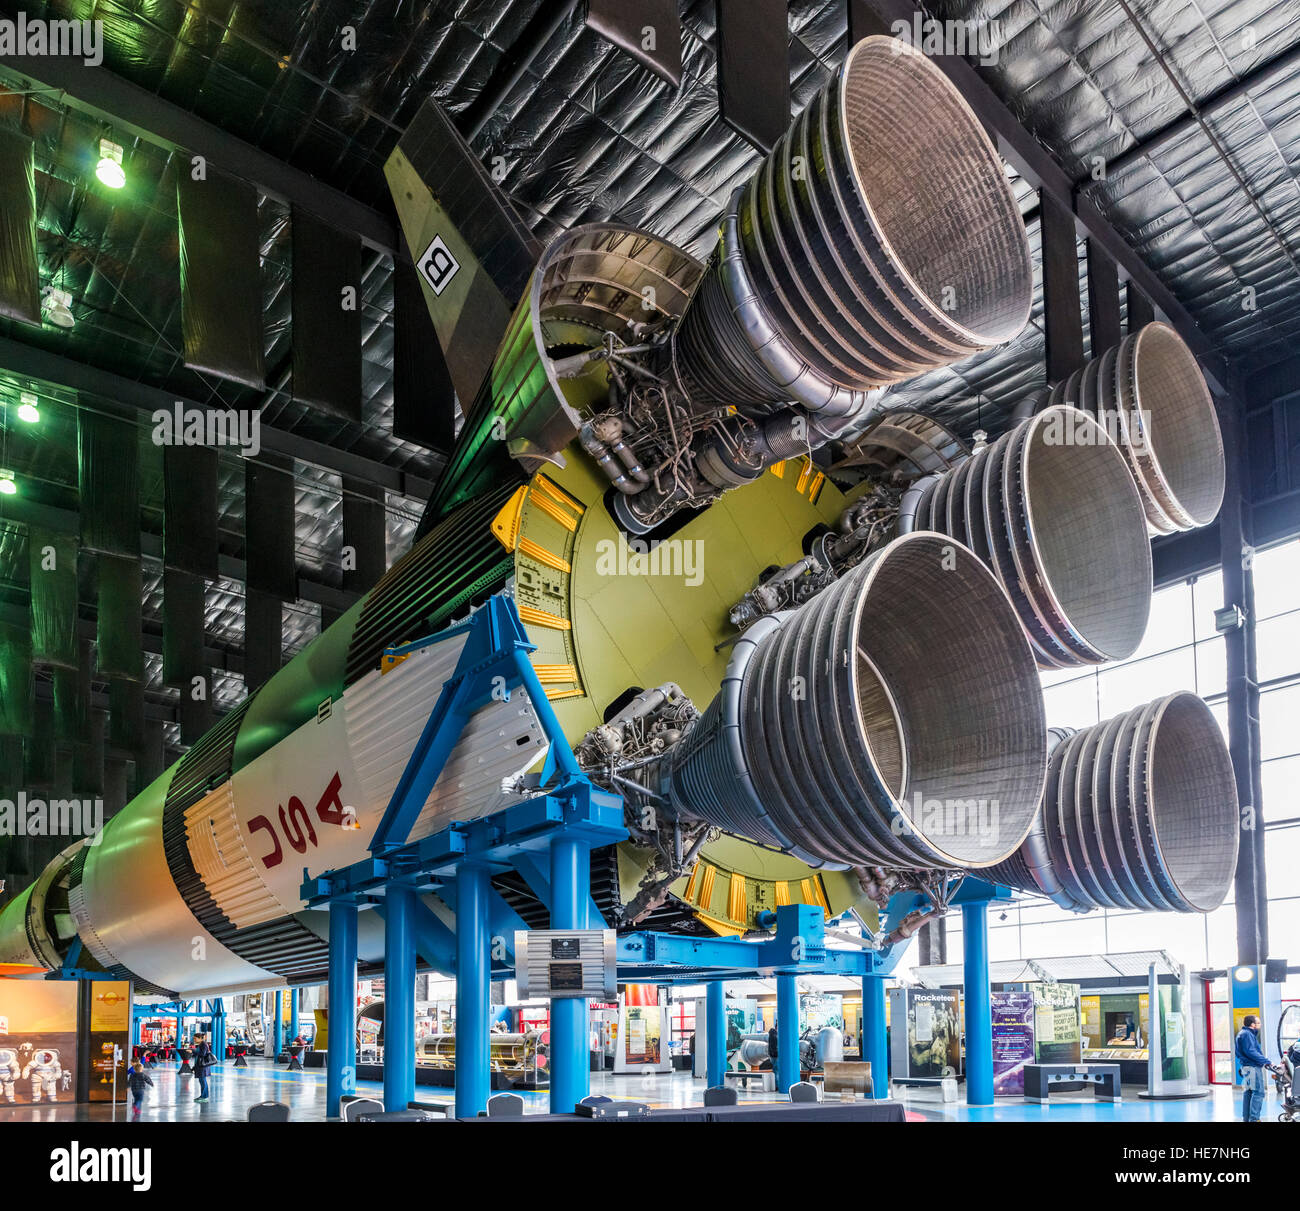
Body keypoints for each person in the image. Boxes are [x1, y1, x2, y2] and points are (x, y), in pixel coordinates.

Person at [1235, 1014, 1278, 1122]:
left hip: (1246, 1067)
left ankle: (1247, 1118)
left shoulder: (1243, 1034)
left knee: (1249, 1092)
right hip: (1252, 1067)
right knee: (1258, 1092)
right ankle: (1254, 1119)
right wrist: (1267, 1062)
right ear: (1252, 1024)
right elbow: (1251, 1052)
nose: (1260, 1024)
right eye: (1258, 1023)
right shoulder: (1247, 1035)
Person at [192, 1036, 215, 1104]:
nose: (194, 1039)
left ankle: (204, 1097)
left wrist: (193, 1051)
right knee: (202, 1081)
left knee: (203, 1081)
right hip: (200, 1066)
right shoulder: (200, 1045)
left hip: (203, 1067)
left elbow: (202, 1054)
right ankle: (203, 1096)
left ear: (200, 1038)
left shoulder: (204, 1044)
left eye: (195, 1038)